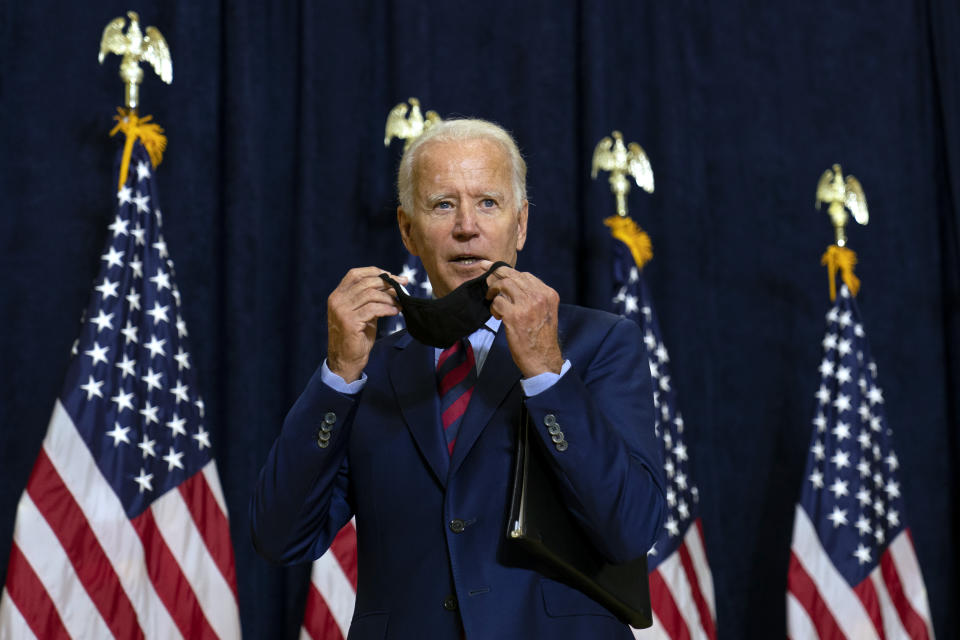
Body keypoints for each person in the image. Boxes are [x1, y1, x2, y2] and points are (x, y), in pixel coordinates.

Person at [250, 119, 665, 639]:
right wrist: (337, 376)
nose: (467, 226)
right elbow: (281, 536)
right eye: (443, 205)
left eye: (488, 202)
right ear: (407, 229)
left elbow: (629, 529)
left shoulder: (600, 345)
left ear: (521, 224)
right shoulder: (367, 368)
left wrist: (547, 374)